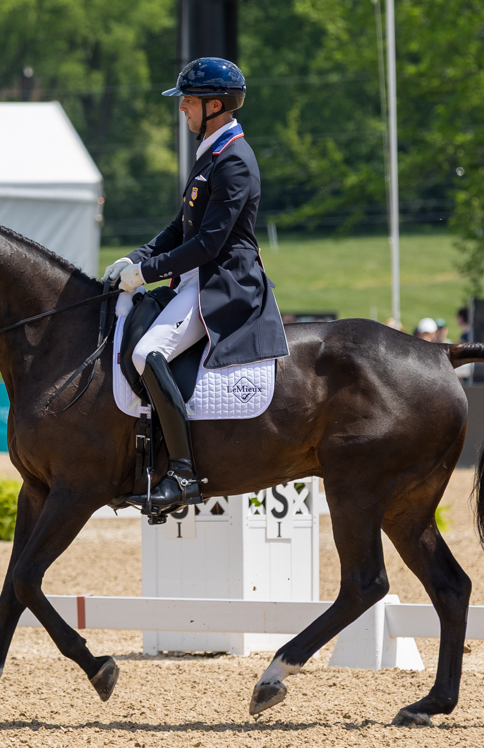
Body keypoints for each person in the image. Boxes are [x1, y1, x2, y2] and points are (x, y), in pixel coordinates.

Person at [102, 57, 289, 513]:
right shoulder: (212, 150)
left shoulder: (235, 161)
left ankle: (183, 473)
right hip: (194, 275)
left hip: (221, 283)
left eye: (188, 101)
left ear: (216, 105)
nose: (181, 109)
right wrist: (138, 256)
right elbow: (179, 225)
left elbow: (208, 243)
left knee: (149, 352)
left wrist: (147, 274)